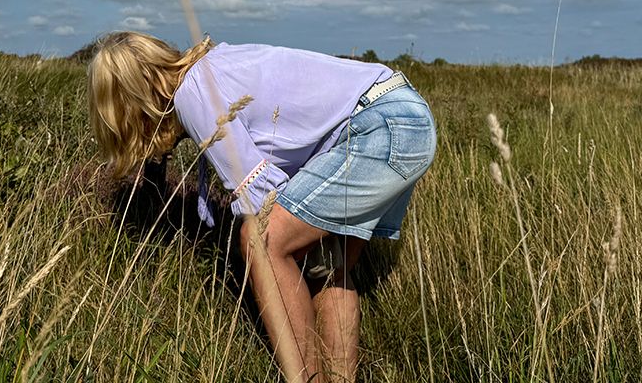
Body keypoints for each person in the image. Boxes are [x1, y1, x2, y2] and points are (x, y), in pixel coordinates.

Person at [87, 31, 437, 383]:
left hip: (379, 127)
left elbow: (260, 196)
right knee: (329, 267)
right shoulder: (212, 69)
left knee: (262, 241)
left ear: (132, 99)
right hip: (399, 113)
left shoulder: (193, 92)